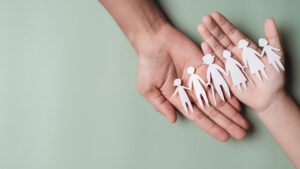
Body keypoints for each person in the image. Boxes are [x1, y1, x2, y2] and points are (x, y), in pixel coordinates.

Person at [99, 0, 248, 141]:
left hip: (204, 84)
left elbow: (207, 76)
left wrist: (151, 34)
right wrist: (149, 34)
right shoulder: (184, 85)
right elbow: (194, 82)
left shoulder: (191, 80)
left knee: (215, 93)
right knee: (206, 97)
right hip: (197, 88)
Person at [198, 12, 300, 168]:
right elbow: (237, 64)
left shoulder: (242, 54)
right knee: (232, 84)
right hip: (240, 78)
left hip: (243, 72)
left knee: (233, 83)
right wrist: (274, 102)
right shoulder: (238, 56)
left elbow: (241, 63)